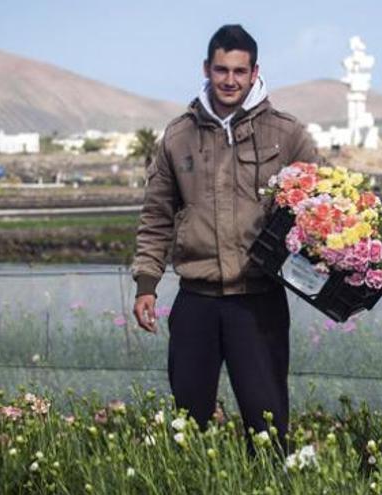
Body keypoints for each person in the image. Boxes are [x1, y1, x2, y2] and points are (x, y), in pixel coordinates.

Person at [131, 24, 319, 442]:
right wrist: (147, 282)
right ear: (207, 69)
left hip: (259, 301)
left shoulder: (288, 134)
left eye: (239, 71)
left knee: (267, 423)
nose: (229, 80)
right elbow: (156, 215)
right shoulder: (177, 136)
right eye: (221, 70)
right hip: (195, 299)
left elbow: (318, 212)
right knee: (188, 422)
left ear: (255, 72)